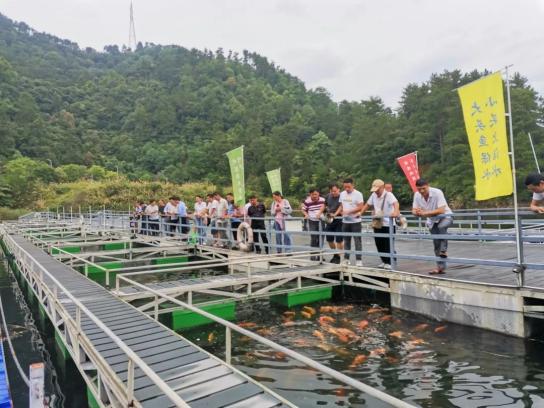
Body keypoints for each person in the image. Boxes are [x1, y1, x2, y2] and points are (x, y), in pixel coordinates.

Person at [412, 178, 453, 274]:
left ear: (428, 186)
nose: (422, 191)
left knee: (441, 227)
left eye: (424, 188)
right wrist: (417, 212)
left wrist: (425, 213)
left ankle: (444, 250)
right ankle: (440, 268)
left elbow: (441, 210)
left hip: (446, 216)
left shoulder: (437, 192)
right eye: (419, 189)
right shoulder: (417, 195)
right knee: (436, 244)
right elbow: (413, 210)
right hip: (432, 220)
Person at [361, 179, 400, 270]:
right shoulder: (374, 195)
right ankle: (384, 261)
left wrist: (395, 212)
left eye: (377, 190)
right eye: (374, 190)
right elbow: (367, 204)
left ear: (382, 187)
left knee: (387, 243)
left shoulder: (389, 195)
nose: (376, 192)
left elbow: (396, 203)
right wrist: (360, 213)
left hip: (388, 224)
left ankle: (390, 262)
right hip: (378, 222)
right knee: (379, 243)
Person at [335, 178, 365, 266]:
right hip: (345, 221)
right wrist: (338, 213)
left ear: (353, 185)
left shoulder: (358, 194)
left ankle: (359, 260)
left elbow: (361, 207)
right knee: (346, 241)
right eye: (345, 187)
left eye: (348, 187)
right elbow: (341, 206)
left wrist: (349, 211)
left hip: (355, 221)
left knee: (357, 241)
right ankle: (346, 258)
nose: (347, 189)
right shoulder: (342, 194)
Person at [302, 189, 326, 259]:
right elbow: (303, 209)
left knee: (321, 238)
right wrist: (306, 214)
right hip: (312, 221)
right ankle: (312, 255)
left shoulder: (323, 200)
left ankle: (320, 255)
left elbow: (325, 208)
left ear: (318, 194)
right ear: (310, 194)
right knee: (313, 237)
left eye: (316, 194)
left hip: (321, 220)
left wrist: (321, 213)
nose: (315, 196)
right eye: (313, 194)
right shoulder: (307, 201)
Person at [324, 184, 343, 264]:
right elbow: (324, 205)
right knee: (329, 238)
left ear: (338, 190)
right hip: (330, 219)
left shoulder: (342, 196)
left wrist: (335, 214)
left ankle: (339, 257)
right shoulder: (328, 196)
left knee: (339, 239)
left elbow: (341, 206)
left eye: (335, 191)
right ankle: (336, 255)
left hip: (339, 219)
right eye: (332, 191)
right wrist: (319, 213)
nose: (333, 193)